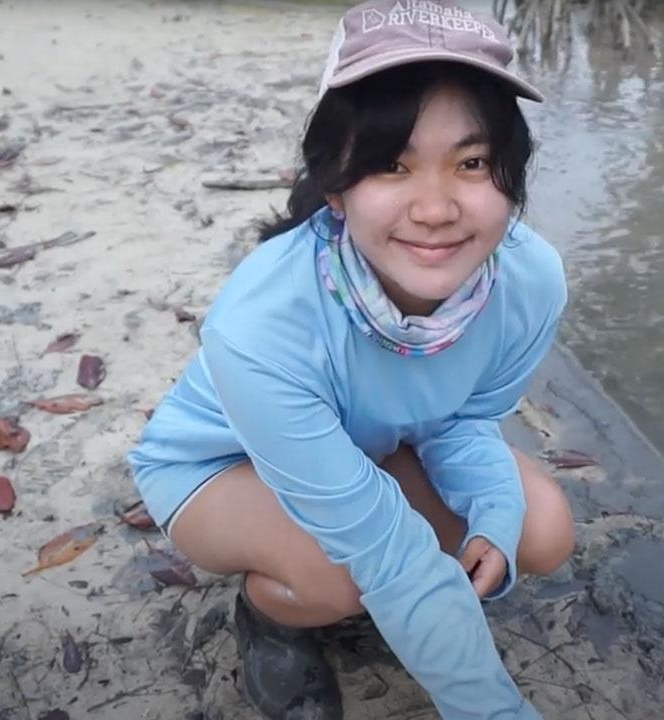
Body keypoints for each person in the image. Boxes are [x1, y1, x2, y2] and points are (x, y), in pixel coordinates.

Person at [127, 2, 573, 718]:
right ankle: (269, 614)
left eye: (472, 162)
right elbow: (388, 550)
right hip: (216, 466)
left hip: (362, 444)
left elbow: (462, 420)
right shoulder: (261, 323)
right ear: (334, 184)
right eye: (392, 165)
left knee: (537, 526)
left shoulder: (530, 281)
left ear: (512, 175)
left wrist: (490, 508)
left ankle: (379, 591)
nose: (435, 209)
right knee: (340, 579)